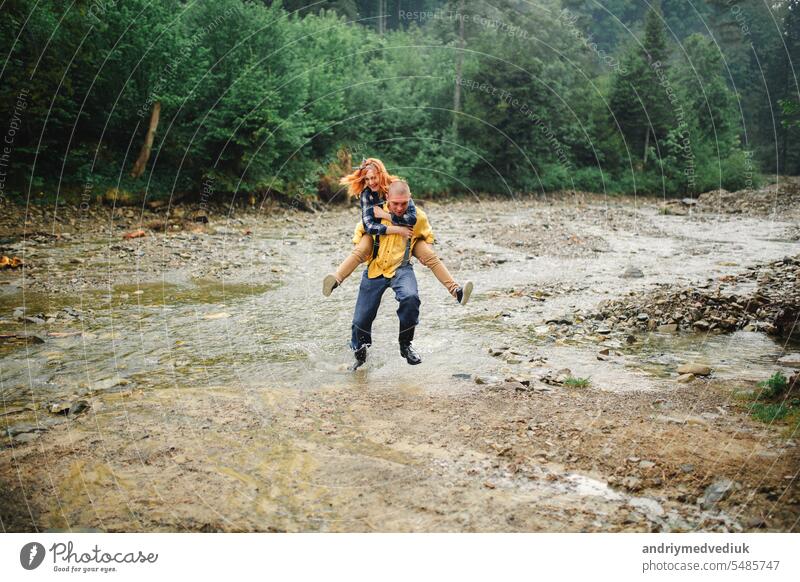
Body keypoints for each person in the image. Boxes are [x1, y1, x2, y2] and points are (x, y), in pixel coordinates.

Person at [322, 157, 472, 305]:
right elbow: (369, 226)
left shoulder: (398, 188)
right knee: (360, 250)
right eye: (367, 179)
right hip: (377, 235)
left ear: (381, 173)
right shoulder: (366, 195)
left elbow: (411, 219)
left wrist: (384, 215)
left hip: (407, 235)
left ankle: (456, 292)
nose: (371, 182)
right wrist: (397, 229)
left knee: (429, 256)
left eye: (374, 177)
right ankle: (335, 280)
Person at [348, 180, 438, 369]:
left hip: (402, 268)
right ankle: (360, 353)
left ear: (410, 199)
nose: (399, 208)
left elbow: (427, 236)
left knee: (411, 297)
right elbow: (360, 231)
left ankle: (405, 345)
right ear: (387, 197)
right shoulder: (374, 213)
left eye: (403, 203)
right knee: (360, 321)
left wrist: (424, 250)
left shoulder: (418, 217)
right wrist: (362, 245)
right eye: (395, 203)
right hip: (376, 268)